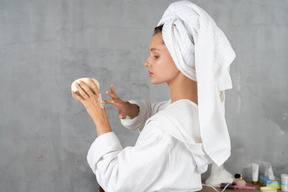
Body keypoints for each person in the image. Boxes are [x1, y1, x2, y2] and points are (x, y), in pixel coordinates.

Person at [72, 1, 236, 191]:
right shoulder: (198, 111)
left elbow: (116, 181)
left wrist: (100, 118)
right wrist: (131, 109)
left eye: (156, 56)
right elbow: (159, 111)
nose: (146, 62)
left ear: (181, 57)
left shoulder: (164, 129)